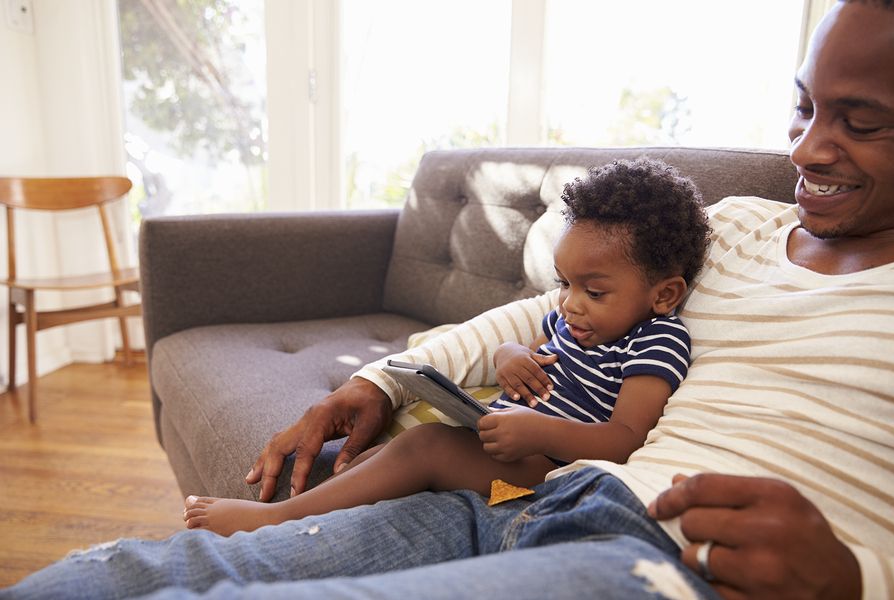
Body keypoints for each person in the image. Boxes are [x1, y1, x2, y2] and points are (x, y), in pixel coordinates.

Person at [3, 1, 894, 598]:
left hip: (663, 559)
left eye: (859, 122)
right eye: (803, 108)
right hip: (530, 498)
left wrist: (859, 578)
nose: (809, 150)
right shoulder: (734, 225)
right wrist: (389, 381)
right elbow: (548, 313)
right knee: (144, 571)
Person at [182, 158, 712, 536]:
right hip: (510, 448)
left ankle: (272, 522)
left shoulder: (657, 341)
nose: (570, 304)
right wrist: (509, 355)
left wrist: (538, 431)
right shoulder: (572, 319)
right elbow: (528, 347)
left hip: (544, 479)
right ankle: (326, 518)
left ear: (664, 294)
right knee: (390, 448)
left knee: (426, 446)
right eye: (565, 284)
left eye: (593, 292)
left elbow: (625, 441)